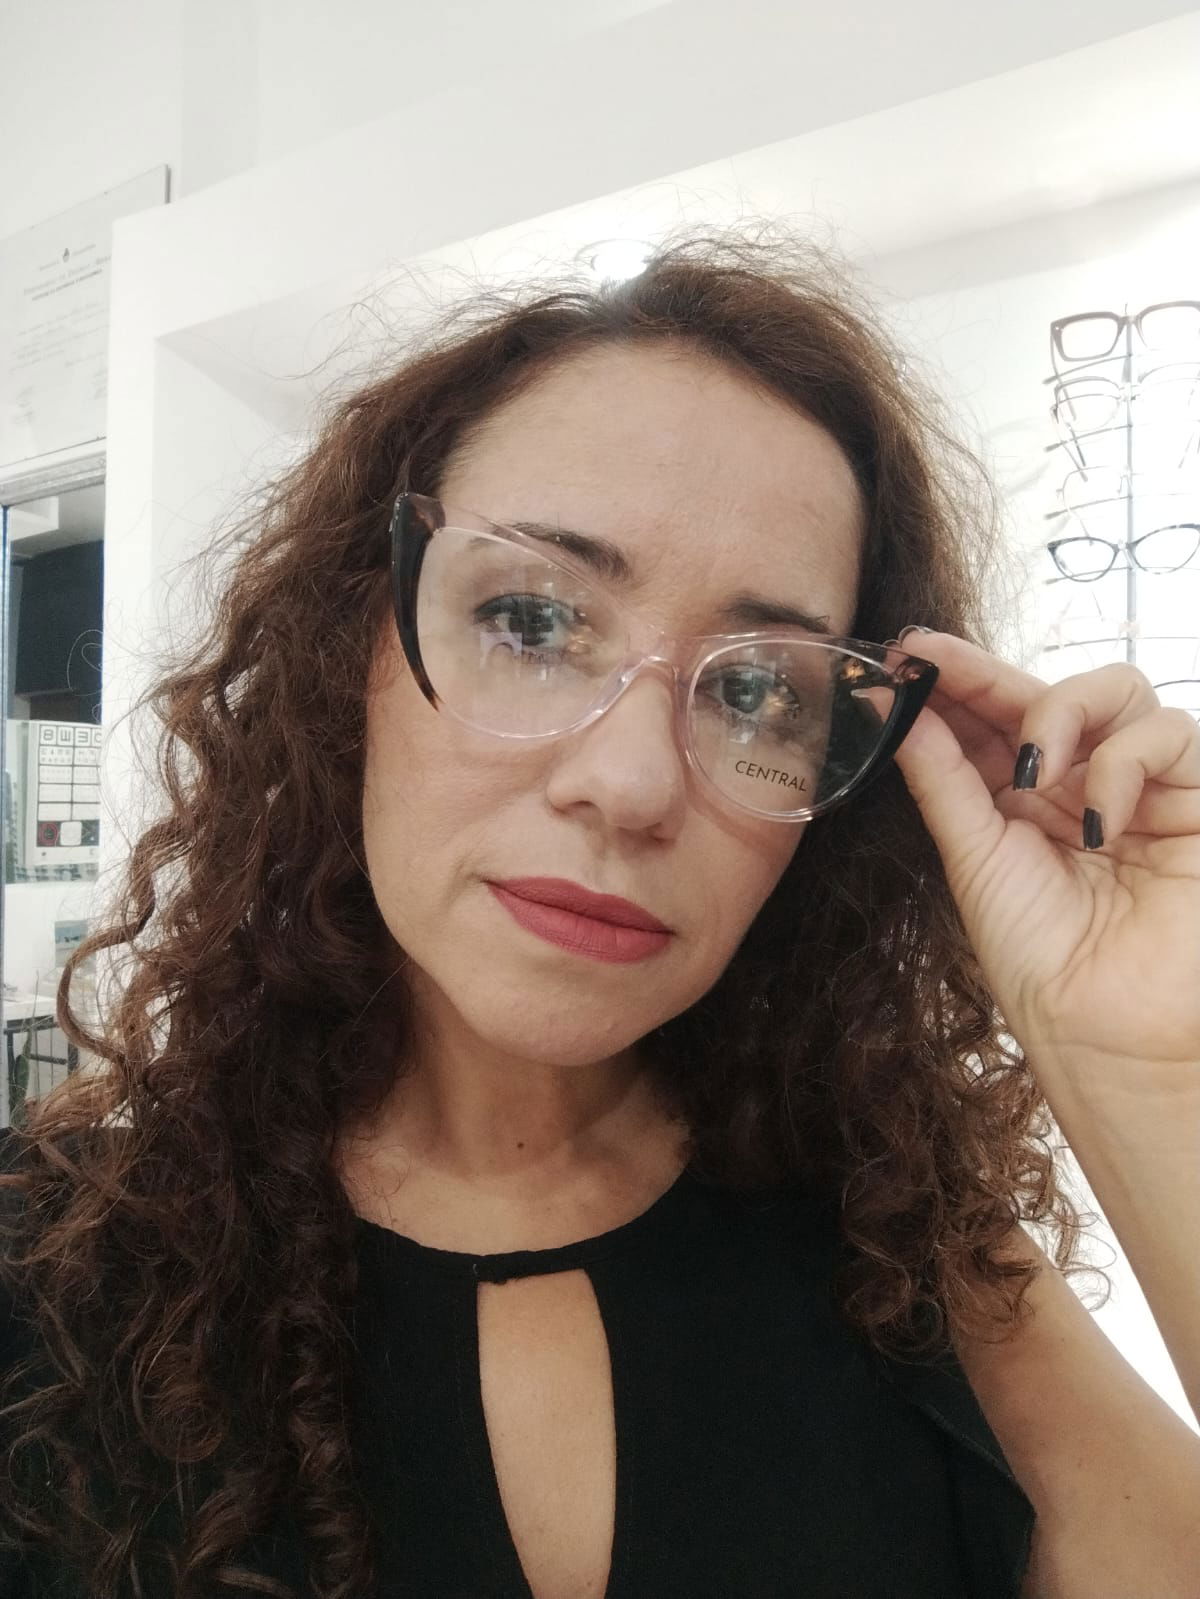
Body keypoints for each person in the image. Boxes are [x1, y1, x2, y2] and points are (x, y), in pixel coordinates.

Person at [0, 225, 1061, 1598]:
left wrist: (1154, 1060)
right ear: (349, 653)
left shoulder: (906, 1250)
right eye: (533, 621)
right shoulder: (46, 1268)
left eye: (759, 692)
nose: (630, 786)